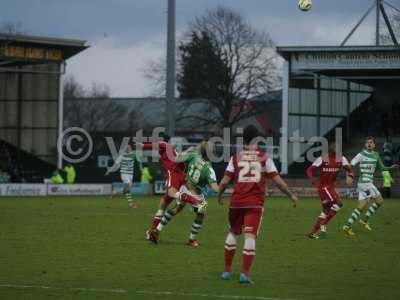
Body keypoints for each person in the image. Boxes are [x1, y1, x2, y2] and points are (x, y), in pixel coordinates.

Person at [217, 125, 298, 284]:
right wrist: (291, 195)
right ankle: (244, 274)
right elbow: (278, 181)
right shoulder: (264, 158)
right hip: (254, 203)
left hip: (236, 202)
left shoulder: (235, 158)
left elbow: (225, 181)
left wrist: (219, 195)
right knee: (250, 235)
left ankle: (227, 271)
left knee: (233, 233)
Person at [148, 141, 218, 247]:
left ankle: (156, 231)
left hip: (185, 187)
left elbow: (176, 159)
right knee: (202, 213)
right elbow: (215, 188)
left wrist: (186, 152)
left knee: (177, 208)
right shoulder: (209, 169)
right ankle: (191, 240)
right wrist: (225, 187)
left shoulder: (194, 155)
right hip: (196, 194)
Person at [142, 134, 205, 240]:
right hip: (180, 175)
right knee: (164, 204)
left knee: (171, 196)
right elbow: (179, 158)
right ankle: (153, 231)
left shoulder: (165, 145)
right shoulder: (171, 150)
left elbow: (150, 146)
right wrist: (189, 151)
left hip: (174, 174)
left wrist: (141, 145)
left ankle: (193, 200)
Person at [343, 136, 399, 236]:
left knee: (372, 203)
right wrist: (349, 175)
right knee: (371, 203)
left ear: (374, 145)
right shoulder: (361, 154)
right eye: (367, 142)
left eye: (371, 142)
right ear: (365, 145)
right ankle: (349, 225)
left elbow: (382, 168)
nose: (369, 144)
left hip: (368, 183)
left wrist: (390, 167)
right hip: (365, 183)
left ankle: (359, 222)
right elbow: (350, 165)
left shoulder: (376, 155)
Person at [306, 142, 354, 239]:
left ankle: (312, 232)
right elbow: (309, 170)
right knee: (338, 203)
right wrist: (312, 179)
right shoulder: (323, 158)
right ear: (330, 149)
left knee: (326, 210)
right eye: (335, 147)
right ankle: (322, 225)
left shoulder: (342, 158)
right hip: (323, 188)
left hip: (330, 187)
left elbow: (349, 169)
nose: (337, 149)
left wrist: (350, 175)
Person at [105, 141, 142, 208]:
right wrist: (109, 170)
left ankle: (117, 192)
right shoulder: (122, 155)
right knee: (129, 185)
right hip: (124, 173)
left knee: (128, 190)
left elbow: (139, 159)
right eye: (126, 148)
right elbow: (116, 165)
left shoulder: (133, 154)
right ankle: (130, 203)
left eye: (129, 147)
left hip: (131, 174)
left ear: (131, 148)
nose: (128, 149)